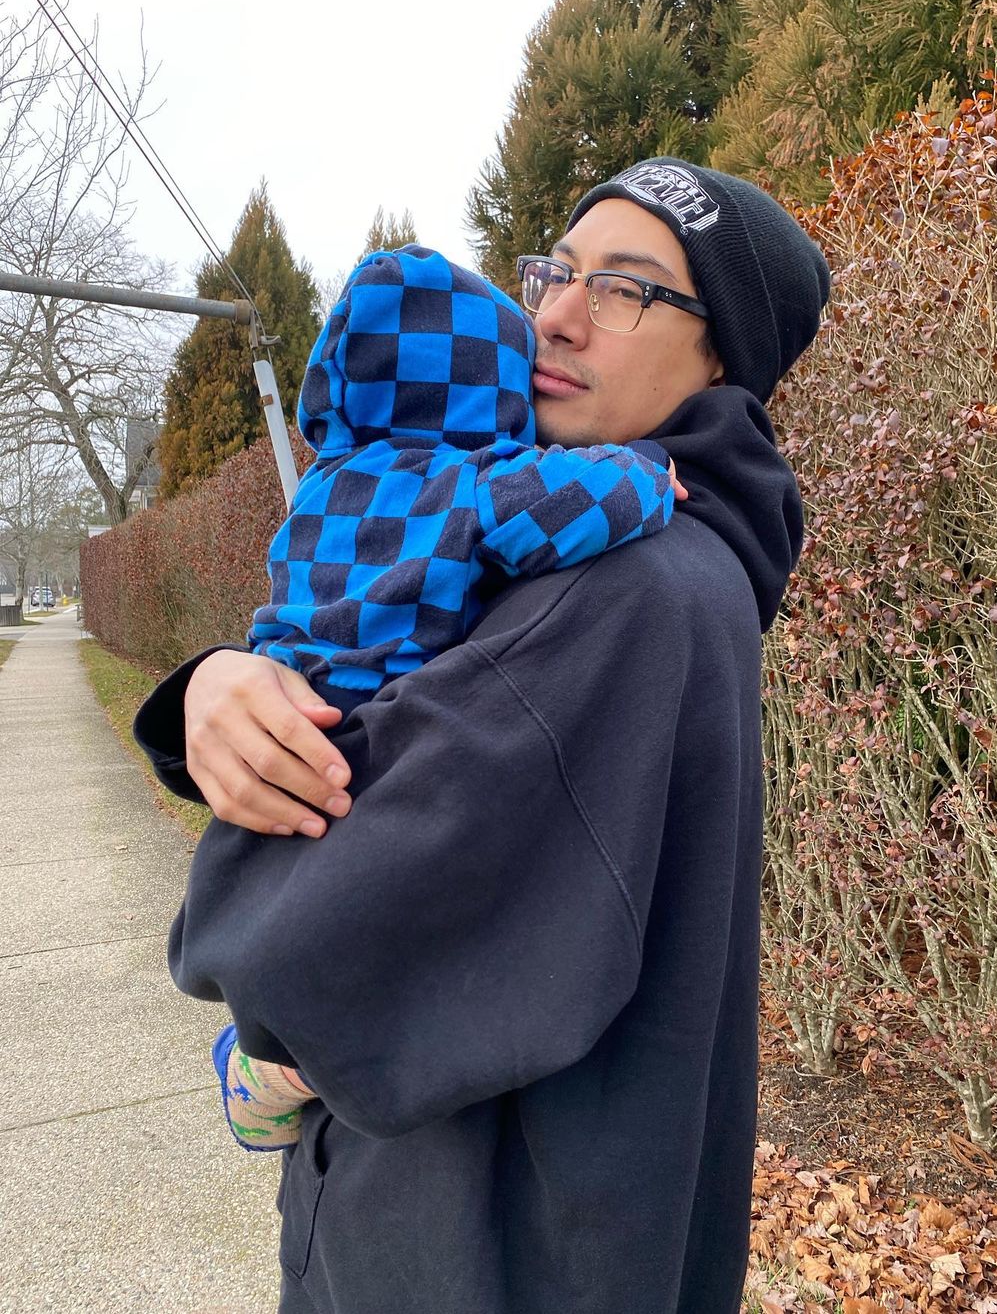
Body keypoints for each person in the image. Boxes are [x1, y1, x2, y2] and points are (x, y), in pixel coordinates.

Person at [134, 157, 830, 1314]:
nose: (555, 315)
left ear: (724, 357)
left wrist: (244, 932)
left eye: (626, 289)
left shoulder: (623, 589)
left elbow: (292, 946)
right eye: (558, 272)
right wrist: (213, 687)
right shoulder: (611, 553)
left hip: (470, 1254)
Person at [212, 242, 682, 1150]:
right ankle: (274, 1074)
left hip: (284, 711)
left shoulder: (320, 485)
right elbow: (580, 502)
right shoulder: (471, 487)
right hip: (368, 740)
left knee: (289, 911)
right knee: (372, 934)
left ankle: (258, 1050)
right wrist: (647, 471)